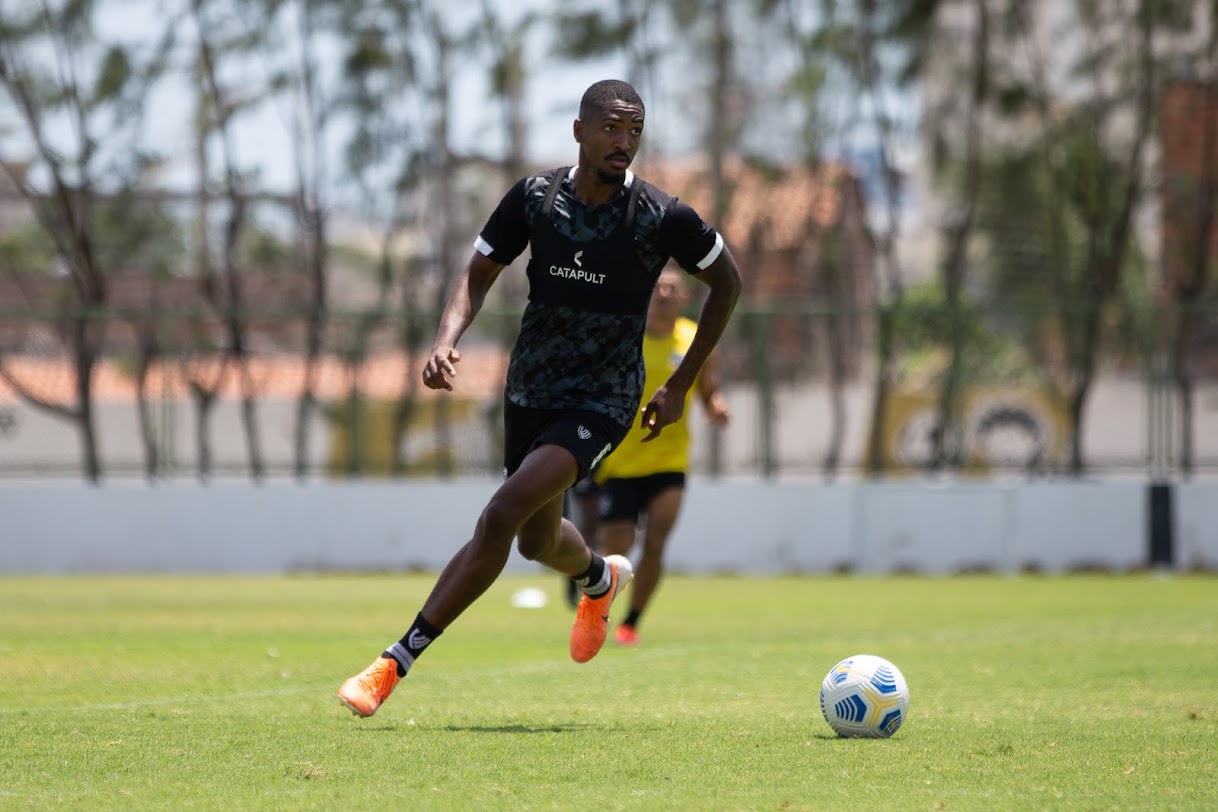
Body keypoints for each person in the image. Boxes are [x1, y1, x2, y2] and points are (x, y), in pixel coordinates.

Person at [337, 79, 742, 718]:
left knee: (500, 516)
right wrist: (446, 339)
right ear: (579, 130)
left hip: (603, 400)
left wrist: (680, 382)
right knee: (534, 539)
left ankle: (394, 661)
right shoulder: (534, 197)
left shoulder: (662, 217)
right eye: (611, 128)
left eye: (634, 131)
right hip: (529, 391)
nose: (624, 142)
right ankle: (600, 579)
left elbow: (728, 282)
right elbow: (478, 274)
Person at [585, 266, 730, 647]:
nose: (664, 293)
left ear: (684, 298)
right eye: (658, 287)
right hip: (621, 461)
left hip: (669, 459)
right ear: (648, 294)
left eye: (673, 288)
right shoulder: (626, 336)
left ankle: (631, 621)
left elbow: (707, 388)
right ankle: (596, 606)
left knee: (657, 539)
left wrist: (716, 406)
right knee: (618, 546)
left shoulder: (694, 338)